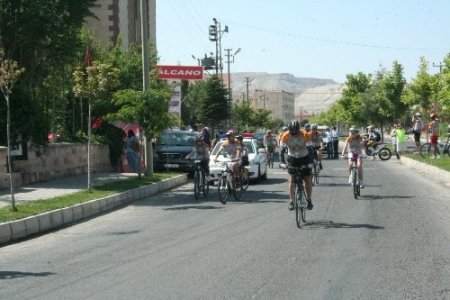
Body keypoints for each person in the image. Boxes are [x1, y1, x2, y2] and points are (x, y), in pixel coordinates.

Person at [279, 120, 314, 211]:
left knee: (307, 179)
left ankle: (309, 200)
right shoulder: (285, 135)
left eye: (296, 132)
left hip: (304, 156)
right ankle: (291, 201)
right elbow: (281, 150)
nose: (294, 133)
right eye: (292, 132)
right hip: (292, 158)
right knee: (292, 178)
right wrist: (282, 162)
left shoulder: (305, 134)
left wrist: (311, 162)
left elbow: (310, 149)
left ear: (299, 129)